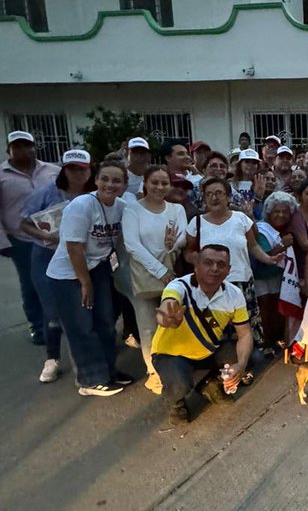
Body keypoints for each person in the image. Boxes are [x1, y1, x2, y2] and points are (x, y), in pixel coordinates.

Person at [46, 159, 134, 397]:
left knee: (105, 322)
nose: (109, 184)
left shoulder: (121, 206)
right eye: (104, 178)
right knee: (82, 326)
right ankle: (90, 380)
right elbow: (74, 247)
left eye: (116, 180)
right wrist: (84, 282)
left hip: (99, 268)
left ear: (125, 185)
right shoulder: (82, 205)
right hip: (69, 274)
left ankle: (108, 371)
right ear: (96, 180)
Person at [151, 244, 254, 423]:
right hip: (172, 354)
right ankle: (175, 401)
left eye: (221, 264)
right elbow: (167, 304)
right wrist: (166, 317)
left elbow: (244, 334)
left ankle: (211, 385)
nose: (215, 268)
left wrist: (241, 364)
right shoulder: (179, 286)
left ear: (228, 270)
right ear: (196, 264)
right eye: (208, 263)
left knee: (245, 357)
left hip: (206, 351)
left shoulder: (234, 294)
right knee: (180, 383)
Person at [20, 148, 95, 383]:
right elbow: (23, 222)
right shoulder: (47, 193)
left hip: (85, 258)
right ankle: (52, 358)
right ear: (64, 169)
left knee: (87, 305)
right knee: (52, 311)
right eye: (72, 168)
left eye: (83, 169)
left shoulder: (94, 194)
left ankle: (87, 355)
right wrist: (49, 237)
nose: (78, 173)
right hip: (48, 256)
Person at [185, 177, 283, 344]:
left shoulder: (240, 218)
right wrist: (197, 259)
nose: (214, 198)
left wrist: (269, 259)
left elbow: (253, 246)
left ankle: (248, 361)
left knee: (245, 329)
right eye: (209, 194)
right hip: (211, 285)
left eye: (218, 193)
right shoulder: (197, 222)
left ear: (229, 197)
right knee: (217, 331)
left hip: (242, 282)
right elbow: (189, 251)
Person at [121, 165, 189, 392]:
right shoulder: (133, 209)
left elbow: (182, 238)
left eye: (164, 183)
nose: (160, 187)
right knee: (148, 325)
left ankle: (177, 366)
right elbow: (132, 245)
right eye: (155, 182)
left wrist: (172, 245)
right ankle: (153, 371)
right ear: (145, 184)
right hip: (145, 275)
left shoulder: (176, 209)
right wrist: (161, 271)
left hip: (171, 273)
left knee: (172, 321)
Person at [0, 130, 60, 343]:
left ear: (35, 147)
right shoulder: (2, 175)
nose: (24, 150)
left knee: (57, 280)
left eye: (28, 145)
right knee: (32, 283)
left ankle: (56, 321)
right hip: (22, 240)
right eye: (17, 146)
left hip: (54, 238)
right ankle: (38, 326)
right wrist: (3, 242)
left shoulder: (52, 171)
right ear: (9, 150)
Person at [254, 190, 296, 348]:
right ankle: (265, 342)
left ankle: (278, 339)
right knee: (264, 308)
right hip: (260, 275)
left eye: (285, 211)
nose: (281, 215)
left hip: (279, 276)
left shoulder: (289, 228)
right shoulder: (261, 228)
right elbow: (264, 256)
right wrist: (282, 245)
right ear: (269, 212)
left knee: (278, 307)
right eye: (276, 211)